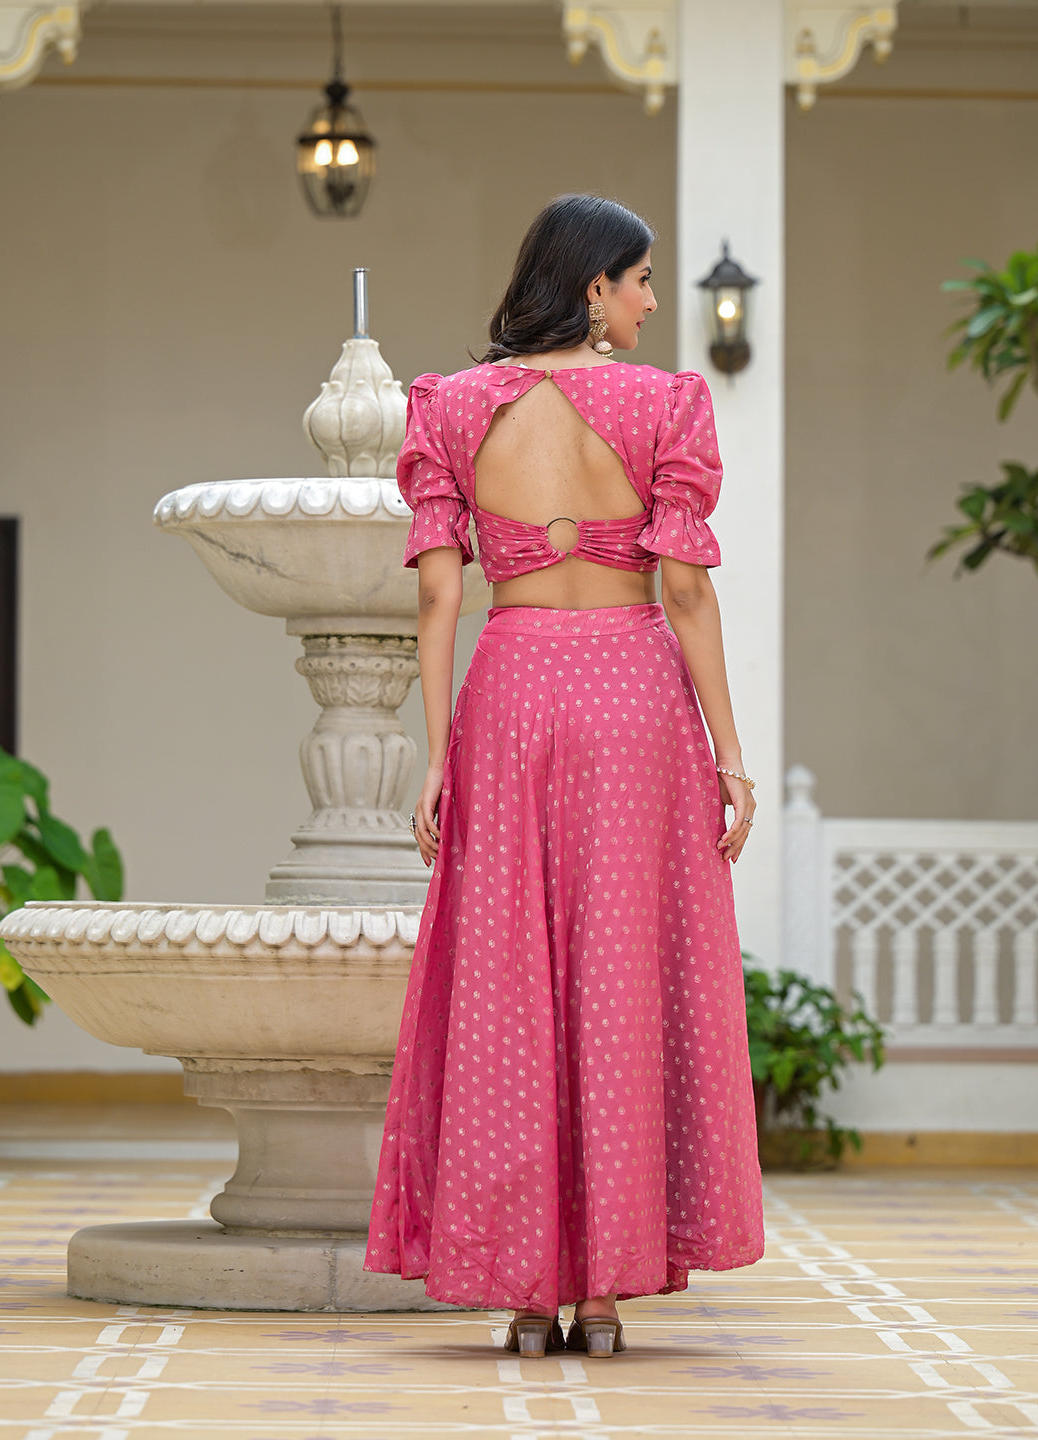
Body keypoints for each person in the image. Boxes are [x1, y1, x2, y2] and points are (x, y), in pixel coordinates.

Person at [364, 194, 764, 1359]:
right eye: (639, 279)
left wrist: (440, 754)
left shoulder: (449, 407)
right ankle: (602, 1295)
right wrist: (728, 755)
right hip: (634, 698)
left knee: (507, 988)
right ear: (593, 288)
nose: (649, 298)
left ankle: (527, 1296)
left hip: (512, 691)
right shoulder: (667, 405)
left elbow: (440, 596)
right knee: (624, 975)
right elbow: (685, 589)